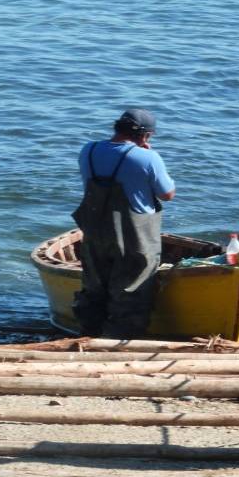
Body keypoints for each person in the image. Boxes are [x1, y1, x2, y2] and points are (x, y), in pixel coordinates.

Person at [71, 109, 176, 339]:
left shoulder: (88, 150)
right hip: (134, 238)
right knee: (131, 293)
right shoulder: (148, 157)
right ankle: (119, 343)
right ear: (145, 136)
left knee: (94, 289)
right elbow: (167, 194)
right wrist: (148, 157)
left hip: (95, 234)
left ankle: (88, 336)